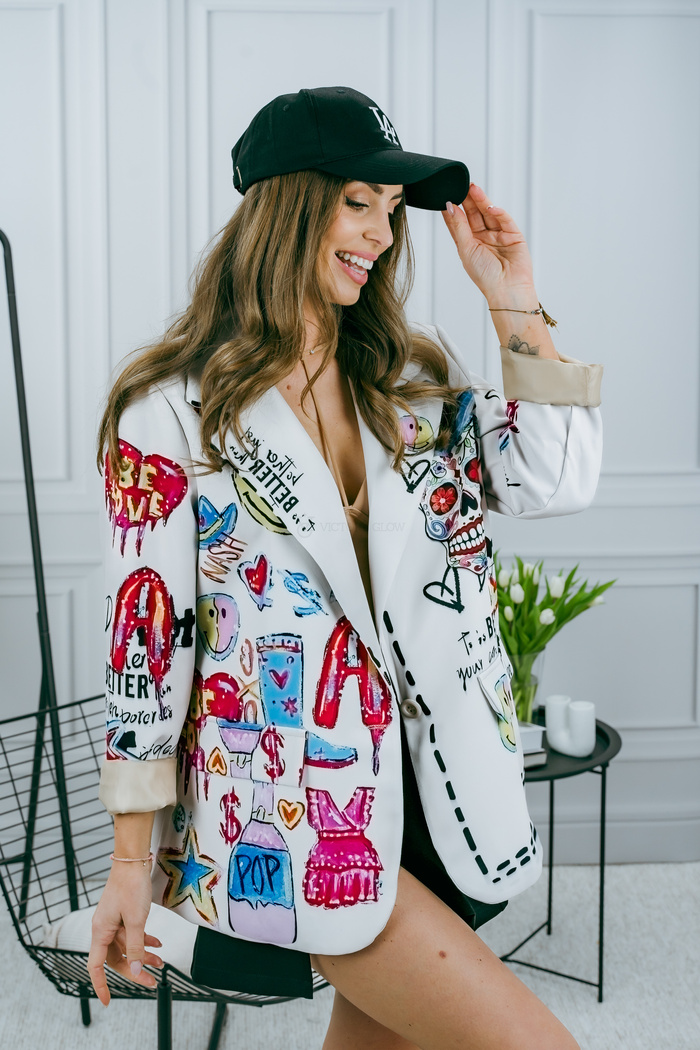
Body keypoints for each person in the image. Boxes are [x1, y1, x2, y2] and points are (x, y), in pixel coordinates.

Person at [88, 86, 602, 1049]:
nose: (381, 233)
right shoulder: (168, 412)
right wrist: (129, 861)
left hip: (439, 788)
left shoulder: (410, 383)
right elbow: (143, 647)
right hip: (301, 817)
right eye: (357, 202)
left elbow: (554, 478)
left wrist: (512, 298)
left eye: (391, 209)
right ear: (285, 208)